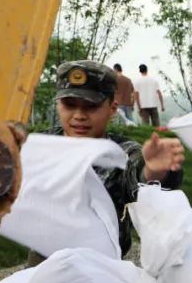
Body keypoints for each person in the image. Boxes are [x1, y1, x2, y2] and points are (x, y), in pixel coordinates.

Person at [50, 61, 184, 256]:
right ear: (58, 105)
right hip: (41, 265)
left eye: (91, 106)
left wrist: (153, 171)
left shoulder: (120, 153)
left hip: (103, 268)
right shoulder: (40, 146)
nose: (79, 115)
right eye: (69, 105)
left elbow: (137, 173)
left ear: (112, 109)